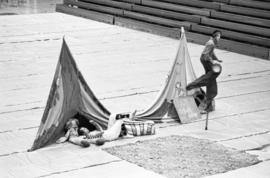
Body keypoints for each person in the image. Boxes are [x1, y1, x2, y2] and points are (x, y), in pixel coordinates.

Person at [186, 30, 223, 113]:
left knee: (212, 84)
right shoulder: (211, 43)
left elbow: (211, 53)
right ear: (216, 36)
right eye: (219, 36)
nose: (220, 38)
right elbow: (206, 55)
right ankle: (193, 85)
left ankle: (209, 106)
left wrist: (216, 59)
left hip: (206, 59)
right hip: (205, 60)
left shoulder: (212, 42)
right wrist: (212, 61)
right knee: (211, 76)